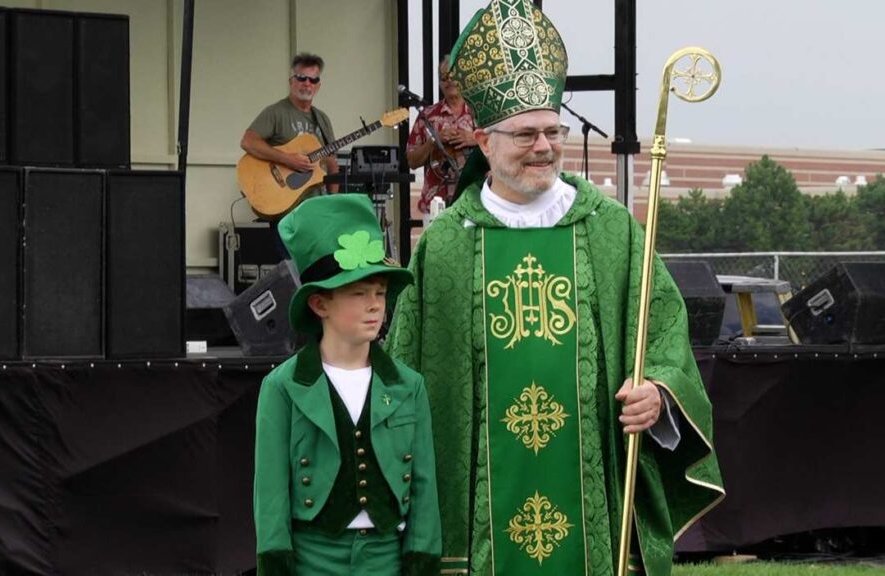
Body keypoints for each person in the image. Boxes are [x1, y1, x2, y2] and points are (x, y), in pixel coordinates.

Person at [386, 2, 723, 575]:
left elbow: (662, 327)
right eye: (524, 134)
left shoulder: (610, 229)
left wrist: (659, 393)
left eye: (552, 131)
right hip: (482, 508)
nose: (543, 146)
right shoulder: (444, 246)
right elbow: (407, 368)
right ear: (484, 143)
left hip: (595, 500)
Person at [254, 194, 441, 576]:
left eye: (380, 293)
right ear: (320, 304)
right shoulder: (283, 387)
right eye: (358, 293)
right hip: (312, 562)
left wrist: (421, 562)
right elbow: (270, 497)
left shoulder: (409, 386)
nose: (376, 306)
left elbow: (424, 491)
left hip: (386, 561)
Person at [241, 52, 340, 198]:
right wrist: (287, 159)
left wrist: (333, 199)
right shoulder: (276, 112)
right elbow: (248, 142)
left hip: (316, 202)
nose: (307, 83)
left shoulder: (322, 119)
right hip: (284, 202)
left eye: (313, 80)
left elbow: (331, 163)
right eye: (302, 78)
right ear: (291, 81)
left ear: (318, 86)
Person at [405, 55, 476, 217]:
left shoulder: (478, 112)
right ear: (439, 83)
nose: (449, 81)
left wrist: (473, 138)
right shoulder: (427, 116)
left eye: (453, 76)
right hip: (435, 204)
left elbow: (499, 148)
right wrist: (434, 141)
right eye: (444, 77)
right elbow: (412, 161)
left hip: (473, 202)